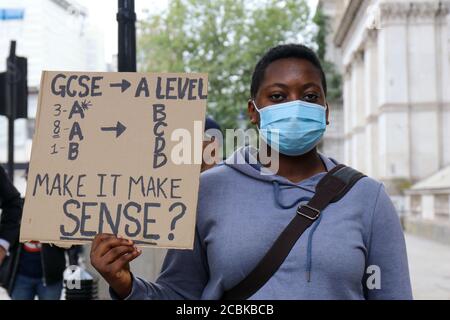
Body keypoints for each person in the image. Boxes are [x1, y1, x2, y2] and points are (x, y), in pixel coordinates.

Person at [90, 44, 413, 300]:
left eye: (310, 96)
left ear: (325, 111)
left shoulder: (368, 198)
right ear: (253, 112)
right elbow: (180, 294)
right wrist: (125, 285)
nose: (295, 105)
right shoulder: (206, 191)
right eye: (277, 96)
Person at [0, 166, 80, 300]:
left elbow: (71, 243)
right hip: (21, 276)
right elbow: (10, 235)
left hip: (51, 277)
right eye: (29, 180)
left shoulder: (59, 208)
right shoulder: (19, 206)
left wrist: (73, 267)